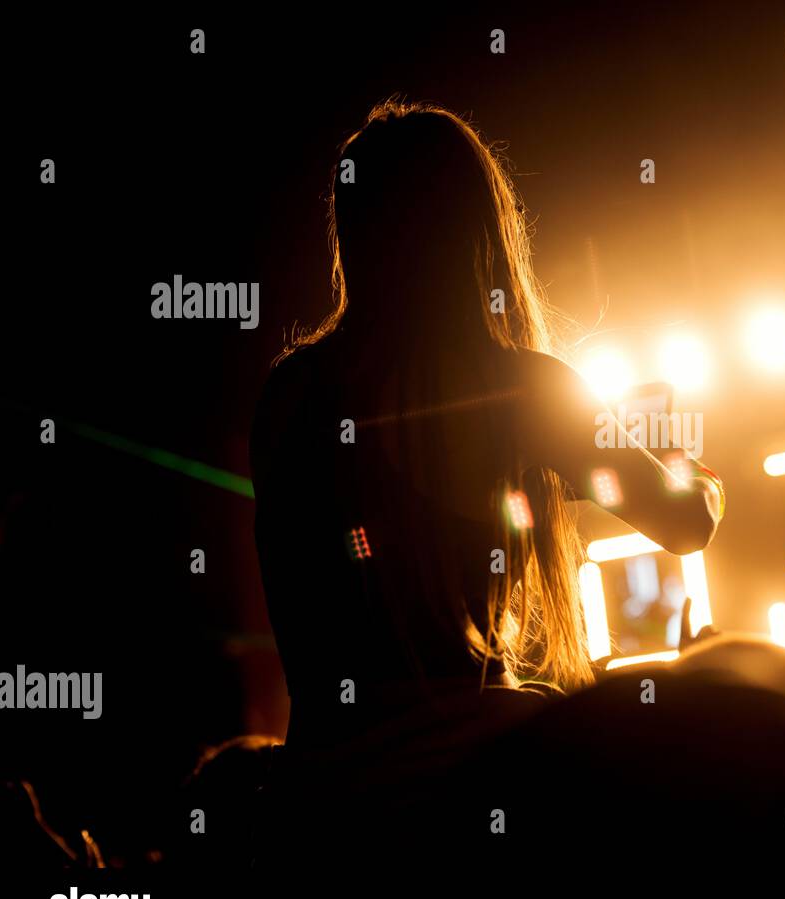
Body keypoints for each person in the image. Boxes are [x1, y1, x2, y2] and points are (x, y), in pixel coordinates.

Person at [250, 100, 724, 754]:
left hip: (323, 787)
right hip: (462, 772)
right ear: (478, 228)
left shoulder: (289, 390)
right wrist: (683, 468)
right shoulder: (521, 388)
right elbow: (687, 523)